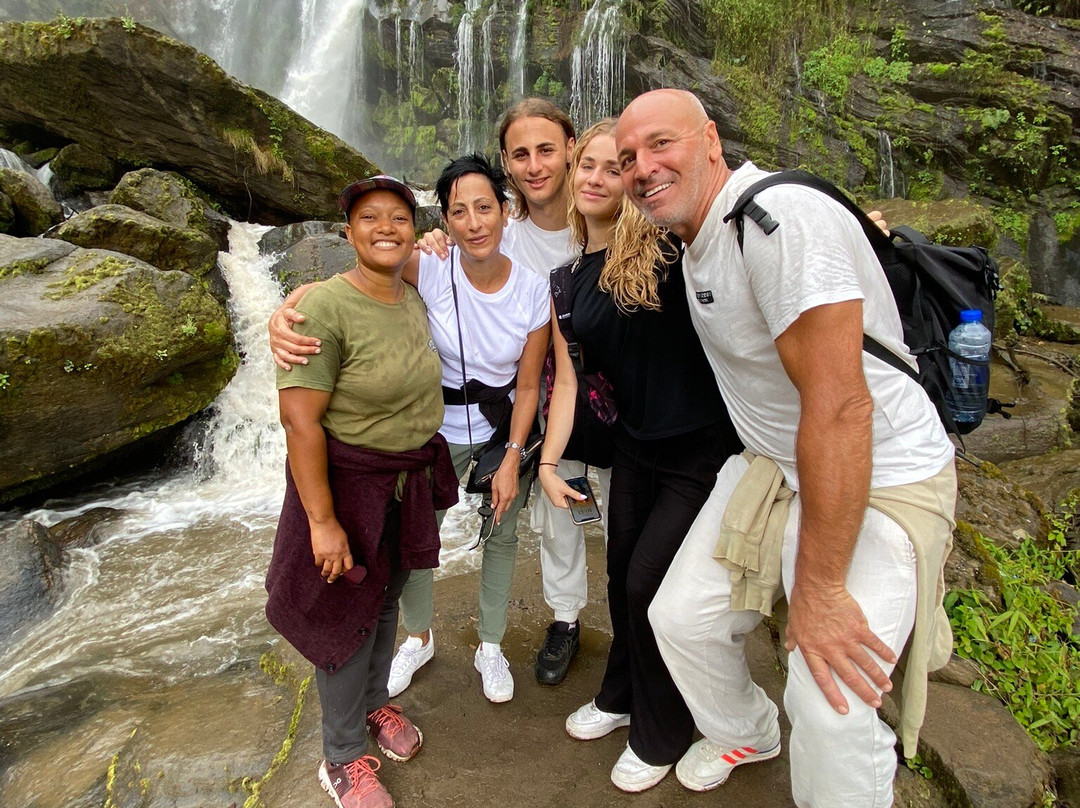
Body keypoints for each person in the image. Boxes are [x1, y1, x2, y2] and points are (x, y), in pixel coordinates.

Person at [615, 89, 957, 807]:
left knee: (829, 700)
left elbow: (840, 408)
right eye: (627, 159)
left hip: (879, 476)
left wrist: (822, 592)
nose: (642, 168)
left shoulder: (776, 224)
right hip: (776, 469)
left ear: (710, 140)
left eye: (660, 145)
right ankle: (749, 730)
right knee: (682, 620)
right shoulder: (696, 234)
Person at [275, 98, 610, 688]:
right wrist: (295, 302)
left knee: (502, 535)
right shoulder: (427, 267)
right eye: (460, 212)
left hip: (504, 427)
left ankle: (490, 644)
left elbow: (530, 381)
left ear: (505, 213)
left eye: (485, 207)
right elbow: (358, 280)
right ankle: (418, 637)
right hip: (434, 431)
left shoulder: (535, 290)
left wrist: (512, 458)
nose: (475, 222)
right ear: (446, 223)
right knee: (416, 538)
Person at [537, 119, 742, 792]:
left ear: (630, 180)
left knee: (646, 584)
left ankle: (663, 733)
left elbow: (733, 226)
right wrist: (545, 461)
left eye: (610, 167)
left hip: (699, 449)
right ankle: (622, 695)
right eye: (586, 166)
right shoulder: (566, 280)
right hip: (634, 450)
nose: (596, 177)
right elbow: (567, 380)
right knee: (620, 575)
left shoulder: (665, 247)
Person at [265, 175, 458, 808]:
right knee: (343, 616)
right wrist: (322, 521)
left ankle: (375, 702)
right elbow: (300, 421)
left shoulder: (409, 291)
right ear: (347, 233)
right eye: (370, 218)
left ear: (414, 229)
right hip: (348, 486)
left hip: (404, 482)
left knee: (382, 601)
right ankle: (342, 755)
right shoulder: (323, 306)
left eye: (399, 217)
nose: (386, 228)